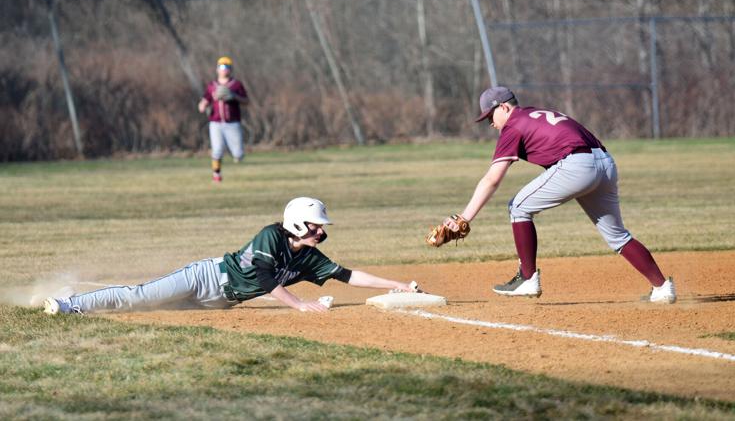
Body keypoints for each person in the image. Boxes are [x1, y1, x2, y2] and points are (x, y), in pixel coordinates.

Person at [441, 85, 676, 303]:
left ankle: (528, 278)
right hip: (605, 162)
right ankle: (662, 287)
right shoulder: (537, 113)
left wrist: (463, 218)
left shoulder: (512, 126)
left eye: (490, 116)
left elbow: (493, 179)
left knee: (518, 207)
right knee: (617, 235)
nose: (490, 123)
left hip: (577, 165)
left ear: (503, 107)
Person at [43, 197, 419, 315]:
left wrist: (399, 285)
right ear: (298, 224)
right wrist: (299, 304)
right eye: (317, 226)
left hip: (218, 303)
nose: (323, 232)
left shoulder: (308, 258)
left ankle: (79, 300)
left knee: (145, 310)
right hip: (205, 278)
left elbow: (350, 276)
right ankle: (68, 304)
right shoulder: (270, 236)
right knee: (138, 297)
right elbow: (267, 282)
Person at [197, 56, 249, 182]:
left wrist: (234, 96)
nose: (224, 69)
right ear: (217, 69)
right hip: (216, 123)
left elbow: (246, 101)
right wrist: (203, 106)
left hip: (232, 123)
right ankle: (217, 175)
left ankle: (232, 151)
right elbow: (203, 103)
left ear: (230, 69)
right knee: (217, 150)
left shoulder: (236, 85)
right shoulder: (212, 86)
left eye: (226, 67)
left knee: (238, 154)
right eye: (221, 66)